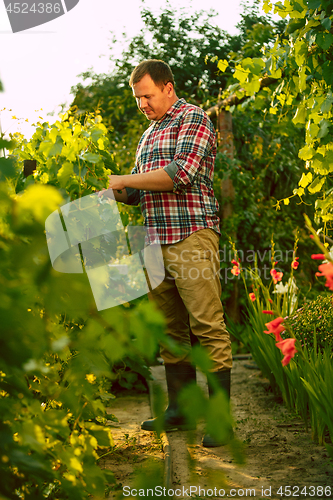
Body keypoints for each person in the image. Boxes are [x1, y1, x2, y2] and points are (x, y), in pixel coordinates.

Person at [106, 59, 232, 447]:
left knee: (207, 326)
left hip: (191, 235)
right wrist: (111, 189)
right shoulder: (148, 136)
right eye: (137, 98)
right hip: (154, 241)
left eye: (146, 95)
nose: (142, 104)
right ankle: (179, 413)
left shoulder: (192, 119)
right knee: (171, 331)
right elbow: (137, 193)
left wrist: (125, 179)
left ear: (167, 87)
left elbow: (181, 174)